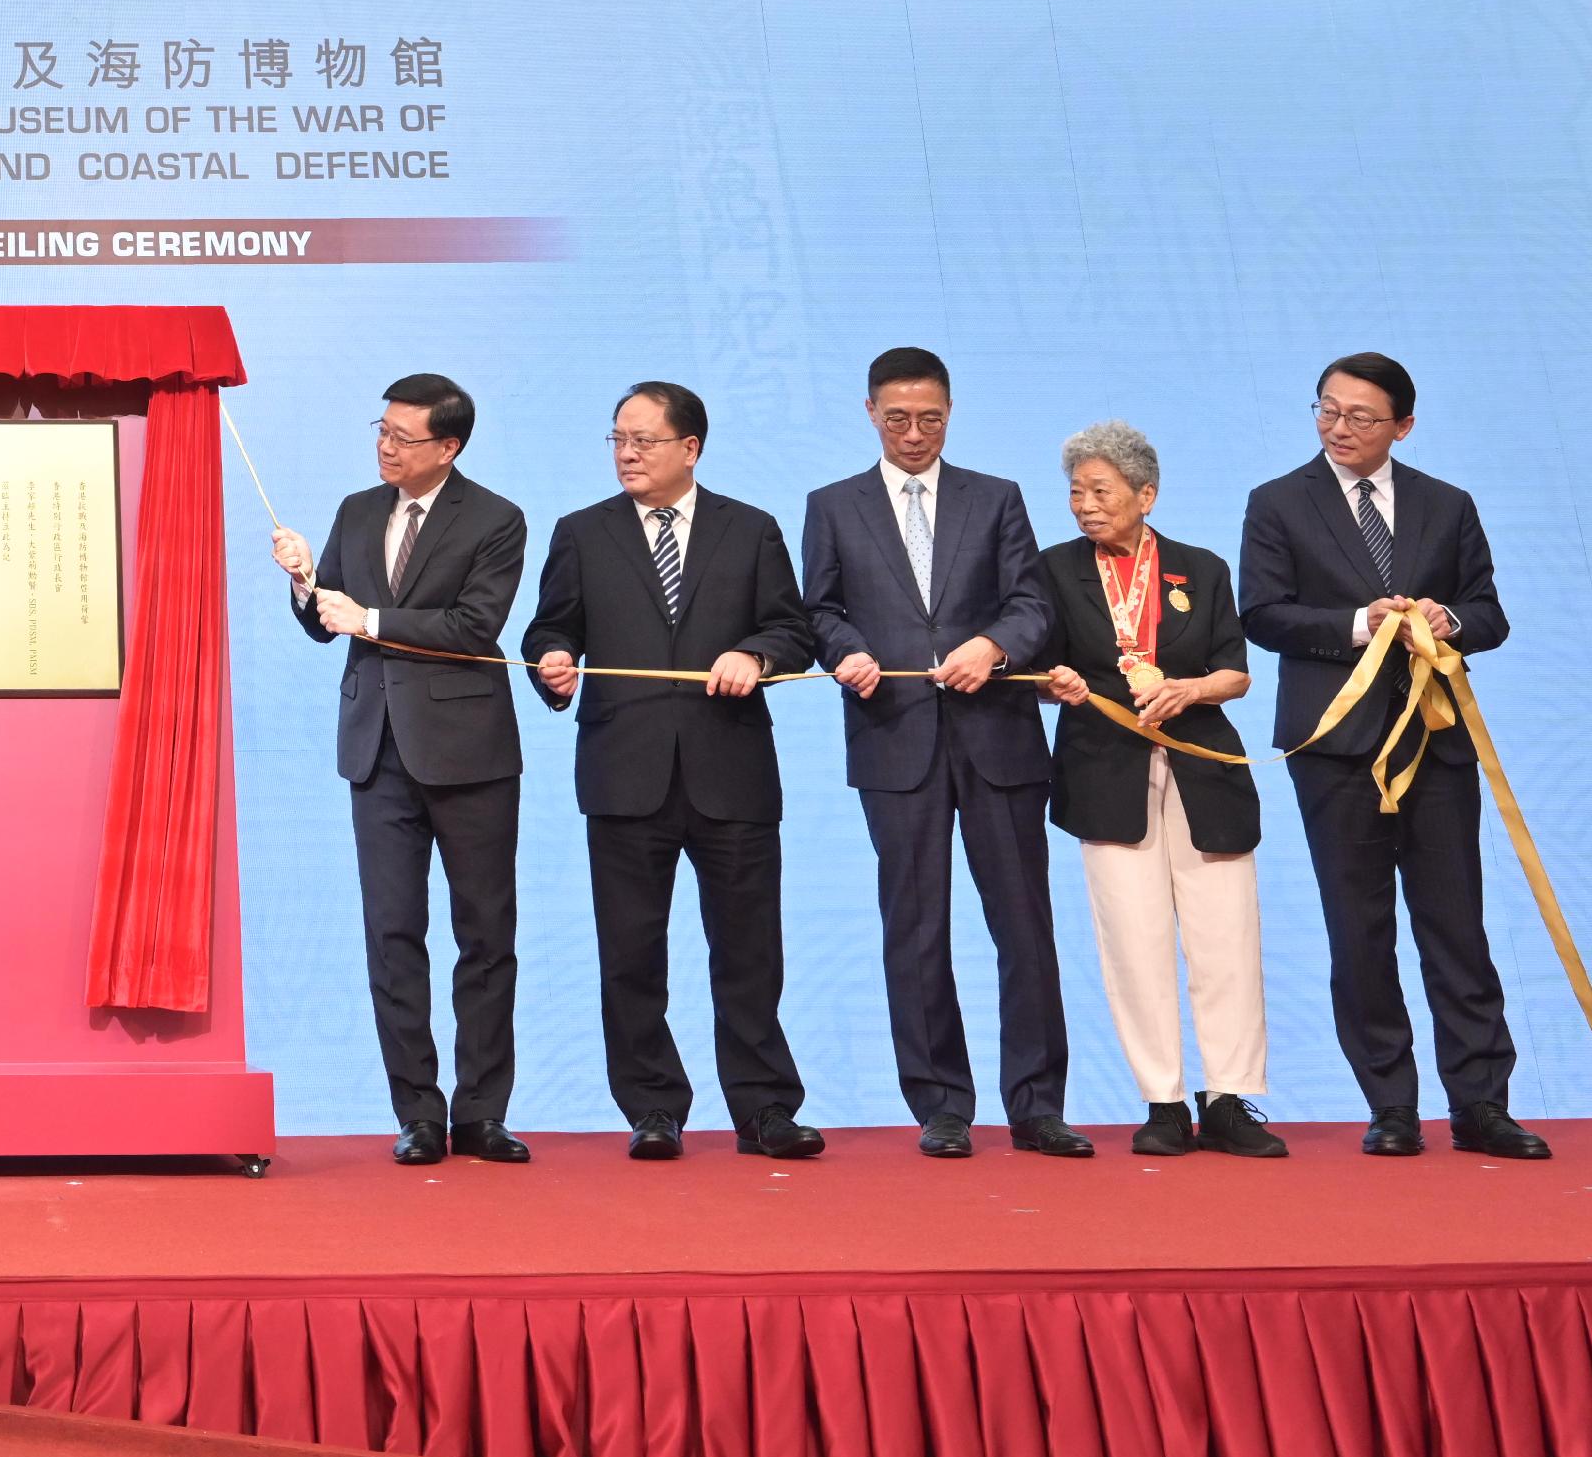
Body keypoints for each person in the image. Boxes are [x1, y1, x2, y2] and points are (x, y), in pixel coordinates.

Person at [1239, 352, 1546, 1161]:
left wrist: (1448, 620)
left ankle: (1481, 1103)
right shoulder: (1277, 503)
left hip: (1435, 742)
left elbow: (1491, 613)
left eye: (1360, 418)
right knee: (1359, 930)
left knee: (1457, 925)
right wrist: (1357, 623)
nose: (1338, 428)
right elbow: (1264, 613)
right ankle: (1392, 1104)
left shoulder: (1448, 505)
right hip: (1333, 745)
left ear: (1403, 425)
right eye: (1327, 411)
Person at [522, 381, 820, 1162]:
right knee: (630, 952)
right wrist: (551, 661)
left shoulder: (749, 529)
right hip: (625, 772)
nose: (627, 452)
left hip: (733, 771)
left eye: (644, 439)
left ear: (690, 447)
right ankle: (653, 1106)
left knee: (750, 950)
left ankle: (764, 1110)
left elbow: (792, 630)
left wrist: (753, 654)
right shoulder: (582, 532)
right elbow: (551, 626)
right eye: (618, 437)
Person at [800, 346, 1083, 1159]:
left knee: (1023, 925)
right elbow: (817, 608)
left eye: (929, 418)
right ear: (870, 413)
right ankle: (941, 1104)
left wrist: (992, 645)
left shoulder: (995, 499)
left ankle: (1037, 1104)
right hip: (893, 734)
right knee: (915, 927)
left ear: (950, 413)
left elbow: (1032, 602)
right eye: (897, 418)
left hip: (998, 736)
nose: (914, 432)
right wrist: (845, 651)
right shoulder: (833, 504)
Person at [271, 374, 531, 1167]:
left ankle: (481, 1111)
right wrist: (304, 582)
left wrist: (370, 617)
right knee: (392, 933)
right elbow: (327, 626)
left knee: (484, 933)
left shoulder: (496, 518)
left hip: (469, 753)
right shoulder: (357, 509)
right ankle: (417, 1109)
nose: (385, 446)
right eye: (380, 430)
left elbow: (475, 625)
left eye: (403, 437)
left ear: (446, 447)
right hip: (377, 749)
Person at [1035, 423, 1283, 1159]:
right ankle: (1164, 1099)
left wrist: (1191, 688)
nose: (1084, 504)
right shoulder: (1052, 570)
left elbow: (1236, 671)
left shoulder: (1199, 569)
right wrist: (1059, 683)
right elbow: (1039, 671)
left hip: (1204, 765)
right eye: (1076, 490)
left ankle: (1230, 1097)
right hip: (1104, 769)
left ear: (1147, 494)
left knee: (1225, 934)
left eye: (1100, 490)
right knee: (1132, 939)